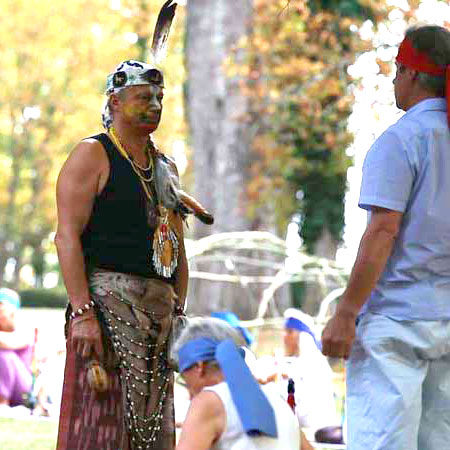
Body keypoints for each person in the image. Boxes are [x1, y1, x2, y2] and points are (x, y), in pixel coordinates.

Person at [54, 2, 200, 448]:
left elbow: (176, 246)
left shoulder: (165, 167)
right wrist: (82, 313)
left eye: (159, 98)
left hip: (157, 319)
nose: (154, 105)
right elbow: (67, 237)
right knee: (100, 428)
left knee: (151, 431)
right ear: (115, 102)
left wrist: (178, 310)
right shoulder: (92, 154)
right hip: (105, 312)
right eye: (144, 97)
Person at [322, 25, 450, 450]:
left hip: (396, 325)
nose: (394, 81)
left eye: (397, 71)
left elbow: (382, 231)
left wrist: (346, 311)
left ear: (412, 74)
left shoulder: (401, 141)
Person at [172, 317, 311, 450]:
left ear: (199, 367)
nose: (190, 395)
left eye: (186, 381)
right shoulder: (278, 401)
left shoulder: (209, 402)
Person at [281, 309, 340, 437]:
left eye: (289, 332)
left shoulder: (315, 363)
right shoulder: (289, 364)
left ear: (300, 336)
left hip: (319, 432)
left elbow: (307, 409)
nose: (284, 336)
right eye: (284, 331)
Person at [0, 288, 35, 410]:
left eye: (1, 306)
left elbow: (4, 342)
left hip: (23, 388)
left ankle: (2, 403)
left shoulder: (25, 329)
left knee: (3, 355)